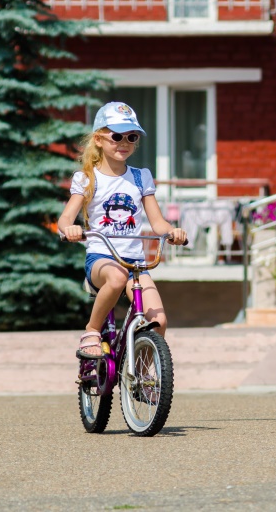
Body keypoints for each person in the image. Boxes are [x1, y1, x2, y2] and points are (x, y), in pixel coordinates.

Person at [57, 102, 186, 360]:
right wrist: (70, 229)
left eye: (132, 137)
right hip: (102, 260)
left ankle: (146, 374)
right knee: (115, 278)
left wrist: (172, 232)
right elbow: (65, 219)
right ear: (99, 139)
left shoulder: (140, 177)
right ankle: (92, 330)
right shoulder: (87, 178)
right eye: (116, 136)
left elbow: (158, 223)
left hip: (136, 263)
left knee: (158, 321)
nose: (124, 142)